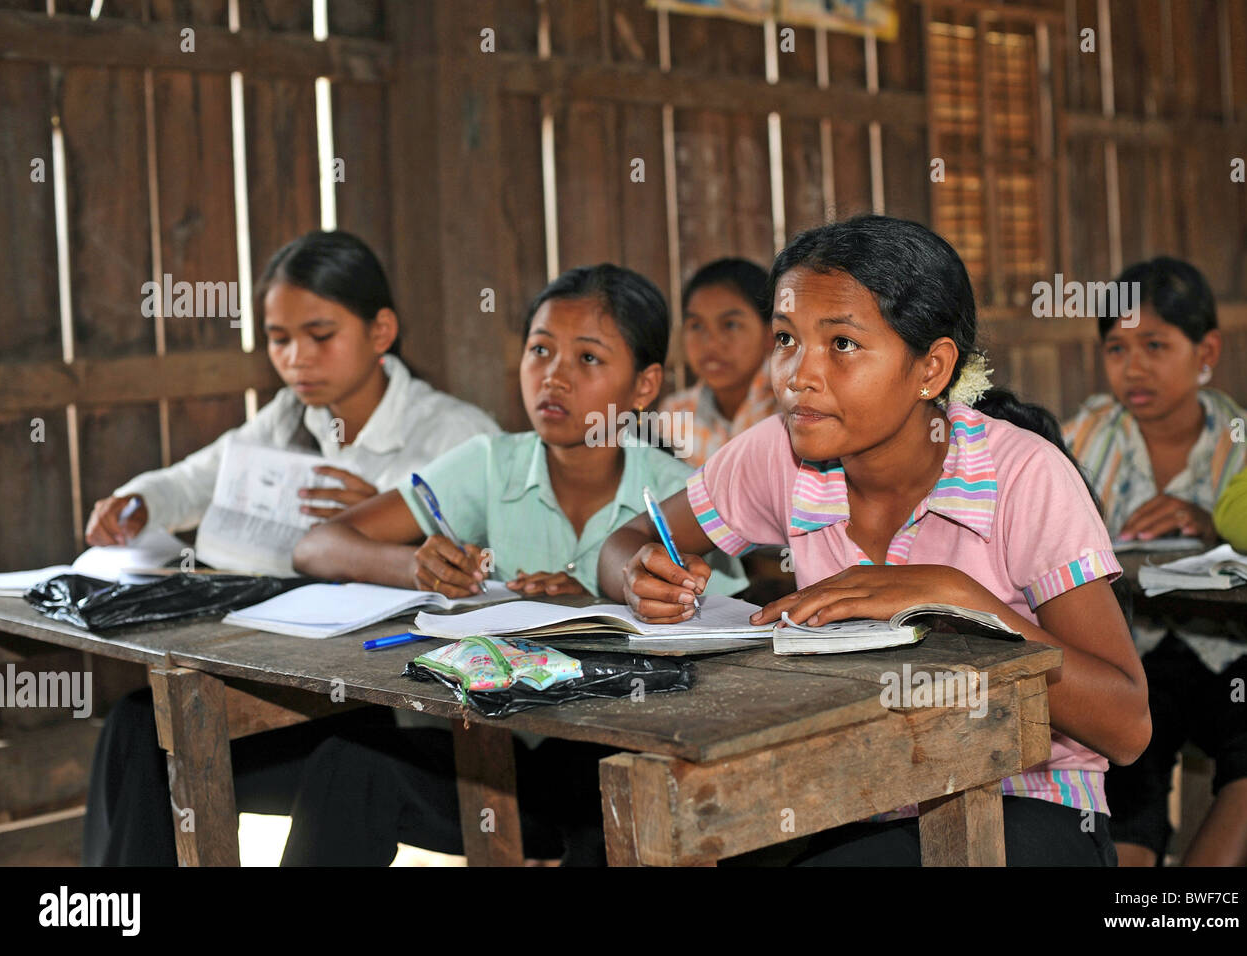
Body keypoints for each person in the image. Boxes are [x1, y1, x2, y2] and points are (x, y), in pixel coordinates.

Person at [599, 214, 1150, 866]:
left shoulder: (1024, 476)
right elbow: (631, 538)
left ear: (931, 368)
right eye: (785, 338)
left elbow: (1126, 726)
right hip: (860, 792)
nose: (797, 375)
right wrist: (636, 571)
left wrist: (955, 597)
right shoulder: (780, 453)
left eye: (842, 345)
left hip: (1032, 800)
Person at [280, 264, 745, 865]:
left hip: (615, 755)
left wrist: (587, 599)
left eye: (588, 359)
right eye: (540, 350)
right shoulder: (490, 465)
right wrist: (415, 568)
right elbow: (315, 546)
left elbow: (724, 636)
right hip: (492, 760)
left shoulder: (678, 492)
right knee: (348, 764)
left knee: (620, 801)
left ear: (644, 385)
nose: (554, 376)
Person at [82, 230, 498, 866]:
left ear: (381, 331)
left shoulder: (454, 433)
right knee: (138, 725)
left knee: (342, 757)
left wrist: (387, 513)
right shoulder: (284, 419)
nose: (297, 357)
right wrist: (134, 503)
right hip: (290, 683)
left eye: (321, 335)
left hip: (394, 705)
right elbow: (191, 480)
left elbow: (494, 571)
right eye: (279, 339)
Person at [1064, 256, 1247, 866]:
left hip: (1233, 656)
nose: (1134, 367)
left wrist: (1216, 527)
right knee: (1123, 756)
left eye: (1155, 344)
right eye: (1117, 348)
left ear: (1206, 351)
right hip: (1129, 653)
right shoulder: (1078, 442)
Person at [658, 257, 777, 468]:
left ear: (770, 334)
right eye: (696, 326)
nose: (711, 343)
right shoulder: (674, 415)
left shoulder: (787, 407)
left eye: (730, 325)